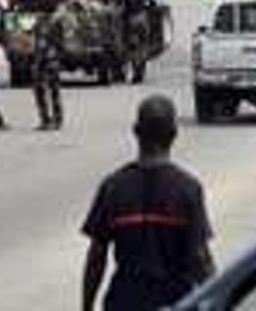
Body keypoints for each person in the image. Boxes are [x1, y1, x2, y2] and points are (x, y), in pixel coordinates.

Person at [81, 95, 214, 311]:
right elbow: (199, 257)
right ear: (174, 135)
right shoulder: (187, 189)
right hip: (175, 301)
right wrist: (218, 297)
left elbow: (96, 256)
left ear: (136, 132)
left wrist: (86, 306)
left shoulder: (113, 186)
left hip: (124, 301)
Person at [32, 16, 63, 131]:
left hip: (49, 62)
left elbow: (56, 44)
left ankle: (54, 120)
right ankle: (47, 119)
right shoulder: (40, 22)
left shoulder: (52, 23)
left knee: (52, 92)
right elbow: (38, 45)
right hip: (43, 62)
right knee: (41, 92)